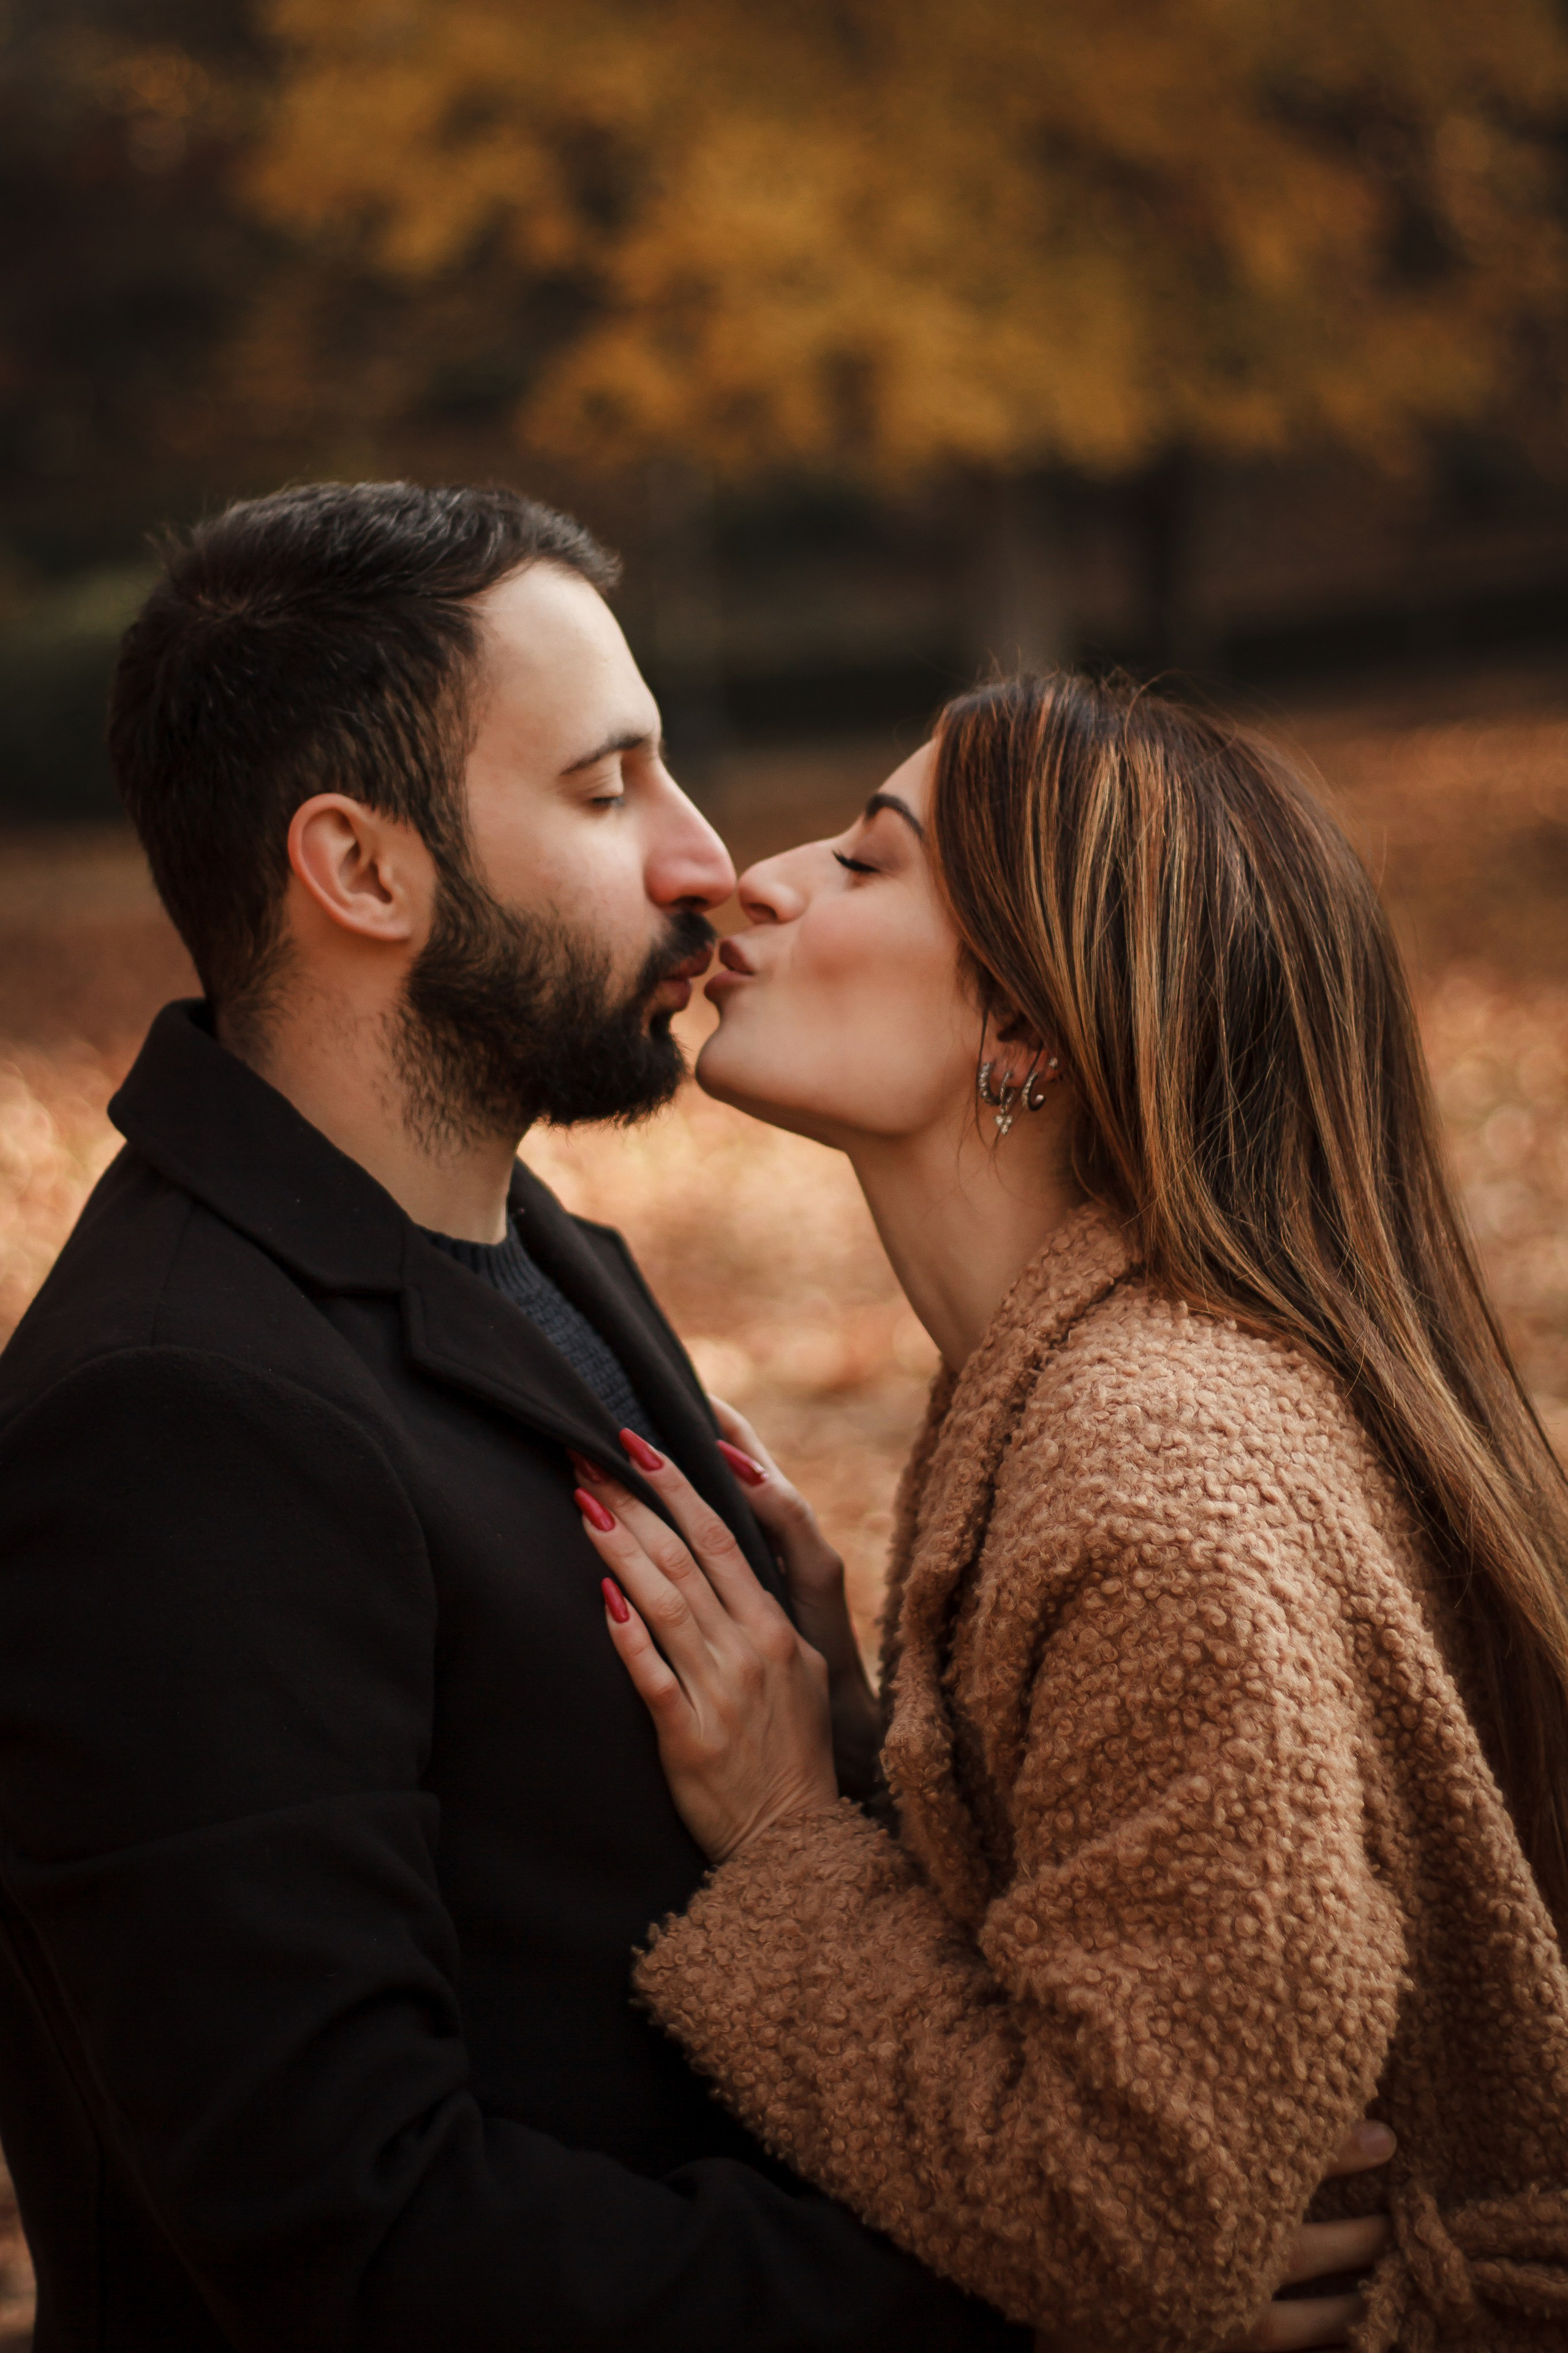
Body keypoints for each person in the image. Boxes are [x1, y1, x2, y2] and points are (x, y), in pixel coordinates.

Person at [0, 485, 1386, 2351]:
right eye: (607, 790)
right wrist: (1041, 2292)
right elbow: (347, 2239)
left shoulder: (540, 1252)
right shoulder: (174, 1418)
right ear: (364, 872)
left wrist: (857, 1763)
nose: (708, 858)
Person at [573, 673, 1568, 2351]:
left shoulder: (1146, 1478)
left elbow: (1141, 2227)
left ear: (1026, 1032)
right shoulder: (1101, 1394)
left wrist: (788, 1840)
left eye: (866, 863)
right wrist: (872, 1740)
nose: (757, 880)